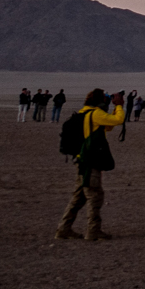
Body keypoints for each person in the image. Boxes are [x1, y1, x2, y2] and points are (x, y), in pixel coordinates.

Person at [55, 89, 126, 241]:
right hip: (90, 162)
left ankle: (64, 228)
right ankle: (93, 230)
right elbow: (118, 120)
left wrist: (113, 108)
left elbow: (108, 126)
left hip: (81, 161)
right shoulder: (95, 114)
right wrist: (119, 105)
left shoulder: (85, 113)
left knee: (79, 197)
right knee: (95, 196)